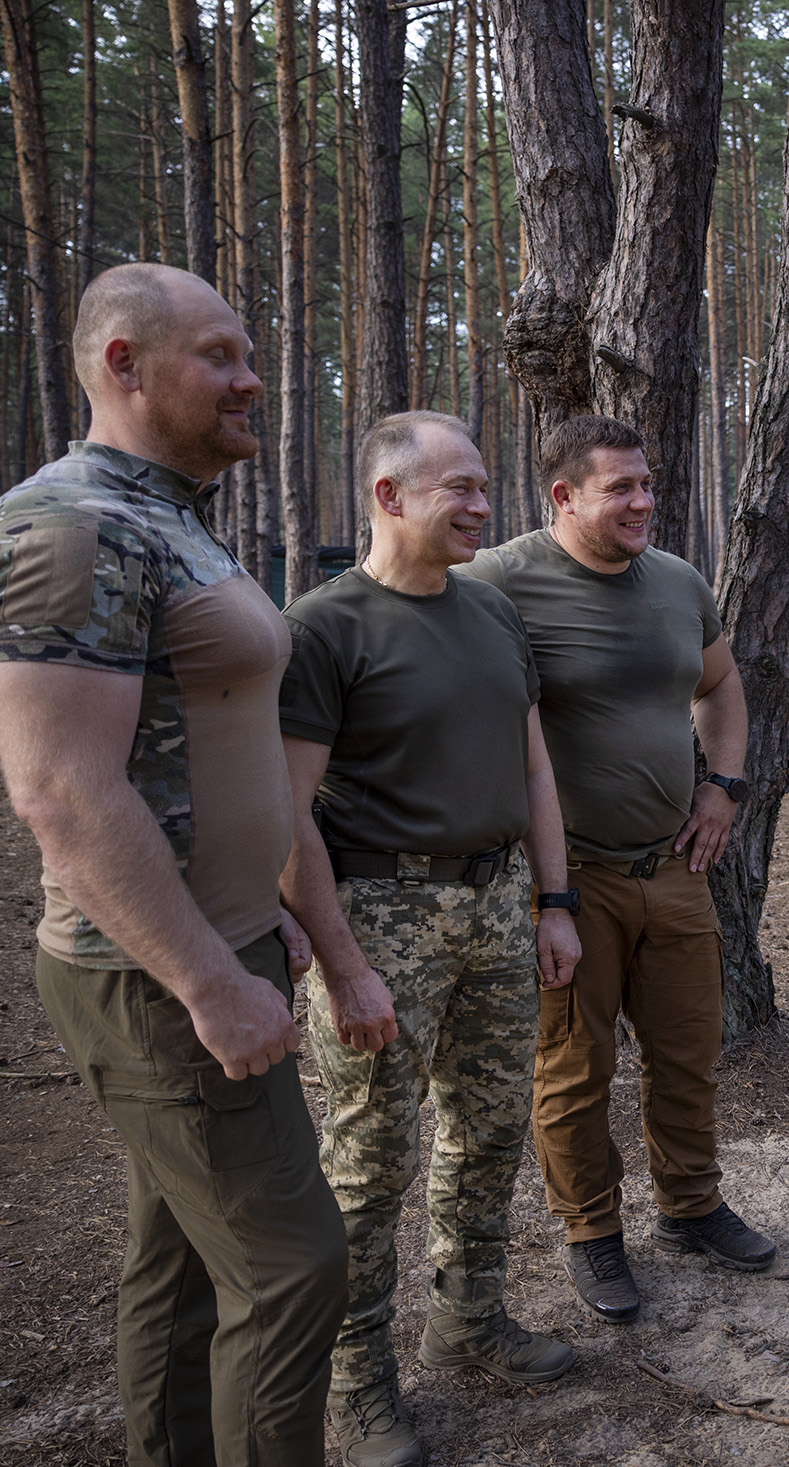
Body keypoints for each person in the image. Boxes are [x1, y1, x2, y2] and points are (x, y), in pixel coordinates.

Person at [0, 262, 347, 1465]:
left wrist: (271, 917)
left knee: (185, 1259)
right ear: (122, 364)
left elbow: (223, 745)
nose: (251, 378)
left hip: (220, 939)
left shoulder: (166, 518)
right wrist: (207, 978)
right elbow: (60, 788)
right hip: (154, 972)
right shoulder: (74, 524)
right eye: (217, 355)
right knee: (296, 1269)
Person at [278, 410, 583, 1467]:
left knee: (492, 1128)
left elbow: (535, 767)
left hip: (498, 904)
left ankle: (472, 1318)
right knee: (369, 1165)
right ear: (387, 496)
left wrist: (554, 901)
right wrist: (345, 965)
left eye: (484, 485)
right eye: (457, 487)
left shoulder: (493, 613)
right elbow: (287, 811)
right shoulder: (325, 627)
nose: (480, 505)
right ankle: (356, 1386)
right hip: (380, 914)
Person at [461, 414, 775, 1325]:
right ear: (563, 495)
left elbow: (718, 685)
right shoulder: (499, 583)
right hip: (568, 881)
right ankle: (592, 1233)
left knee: (687, 1052)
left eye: (648, 484)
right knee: (573, 1065)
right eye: (621, 489)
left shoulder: (678, 582)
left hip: (673, 865)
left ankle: (690, 1206)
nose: (644, 502)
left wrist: (721, 786)